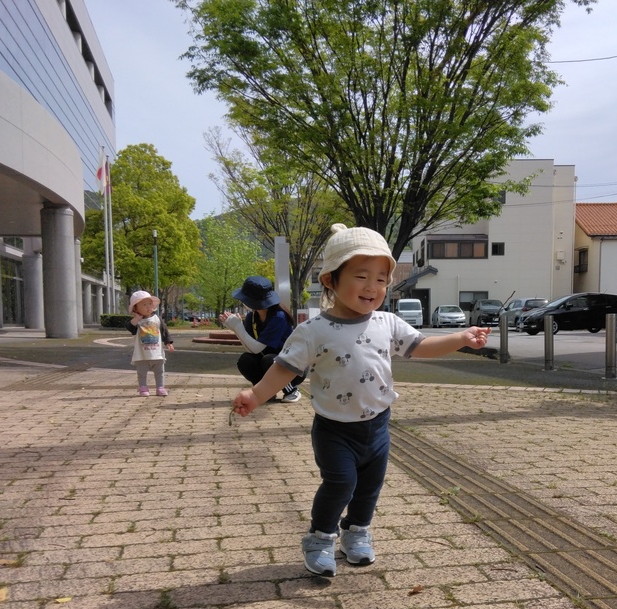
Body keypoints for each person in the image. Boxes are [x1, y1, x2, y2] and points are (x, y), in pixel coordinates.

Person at [231, 224, 489, 577]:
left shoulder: (387, 322)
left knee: (369, 486)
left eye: (382, 279)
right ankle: (321, 537)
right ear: (331, 280)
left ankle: (357, 532)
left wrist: (461, 337)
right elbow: (284, 368)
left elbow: (422, 346)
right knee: (341, 483)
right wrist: (256, 395)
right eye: (362, 276)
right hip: (334, 429)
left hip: (378, 426)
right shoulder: (313, 330)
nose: (373, 287)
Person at [219, 276, 303, 403]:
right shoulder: (251, 317)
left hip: (291, 368)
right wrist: (236, 328)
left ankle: (291, 390)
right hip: (270, 362)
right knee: (246, 360)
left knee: (269, 360)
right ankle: (266, 392)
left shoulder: (278, 317)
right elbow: (251, 349)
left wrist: (237, 326)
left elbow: (257, 348)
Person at [126, 290, 174, 397]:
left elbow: (164, 331)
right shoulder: (136, 321)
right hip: (142, 355)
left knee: (160, 372)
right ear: (136, 308)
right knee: (142, 373)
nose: (148, 307)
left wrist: (168, 342)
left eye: (150, 304)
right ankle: (143, 388)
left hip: (157, 353)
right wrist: (136, 318)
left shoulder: (157, 319)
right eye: (144, 305)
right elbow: (129, 327)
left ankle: (160, 387)